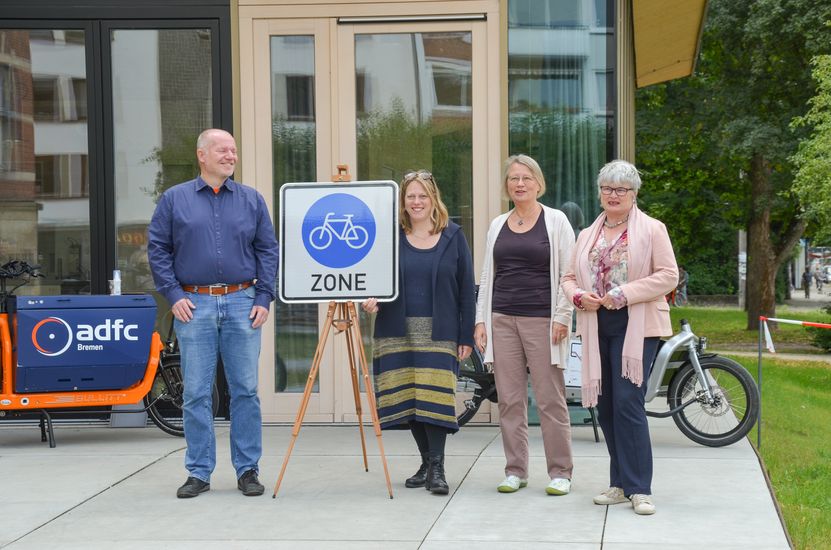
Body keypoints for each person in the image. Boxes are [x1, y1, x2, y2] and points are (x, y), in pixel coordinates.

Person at [148, 128, 279, 499]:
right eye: (223, 150)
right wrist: (173, 294)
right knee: (196, 393)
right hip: (194, 304)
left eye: (234, 150)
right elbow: (157, 248)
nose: (231, 155)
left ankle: (248, 470)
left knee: (246, 391)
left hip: (243, 301)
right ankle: (199, 472)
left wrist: (263, 296)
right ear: (201, 155)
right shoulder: (174, 200)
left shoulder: (251, 200)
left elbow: (269, 250)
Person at [562, 159, 678, 516]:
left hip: (637, 324)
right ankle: (620, 483)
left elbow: (668, 276)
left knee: (628, 402)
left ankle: (640, 488)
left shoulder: (652, 229)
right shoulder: (587, 235)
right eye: (607, 189)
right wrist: (579, 296)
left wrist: (626, 293)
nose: (613, 195)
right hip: (597, 323)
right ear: (599, 193)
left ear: (634, 194)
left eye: (621, 189)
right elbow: (567, 278)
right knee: (608, 406)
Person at [361, 170, 474, 495]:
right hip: (396, 329)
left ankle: (437, 468)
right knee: (409, 397)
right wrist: (371, 301)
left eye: (422, 195)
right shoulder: (390, 237)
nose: (416, 201)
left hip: (440, 331)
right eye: (411, 196)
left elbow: (466, 288)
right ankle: (426, 462)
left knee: (434, 398)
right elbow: (374, 280)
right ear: (403, 201)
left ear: (433, 198)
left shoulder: (453, 236)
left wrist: (466, 335)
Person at [473, 154, 575, 496]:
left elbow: (568, 274)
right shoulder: (497, 224)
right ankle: (515, 470)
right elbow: (488, 274)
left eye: (526, 178)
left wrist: (562, 316)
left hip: (543, 321)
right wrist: (481, 320)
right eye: (514, 178)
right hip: (502, 318)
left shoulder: (556, 221)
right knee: (511, 400)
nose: (520, 184)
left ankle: (560, 471)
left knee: (549, 399)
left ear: (538, 183)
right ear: (507, 185)